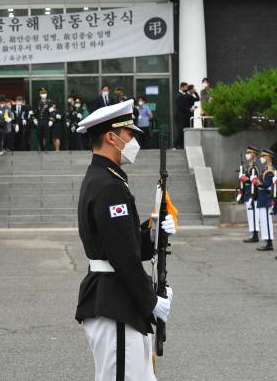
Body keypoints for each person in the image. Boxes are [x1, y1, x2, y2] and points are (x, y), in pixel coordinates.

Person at [74, 99, 176, 381]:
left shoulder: (106, 178)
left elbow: (121, 240)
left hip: (116, 298)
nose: (132, 140)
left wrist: (152, 231)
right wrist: (150, 300)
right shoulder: (108, 185)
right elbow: (122, 256)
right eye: (129, 134)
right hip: (115, 302)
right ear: (111, 137)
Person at [253, 149, 275, 252]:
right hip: (262, 198)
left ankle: (269, 243)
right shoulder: (265, 169)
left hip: (266, 198)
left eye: (264, 156)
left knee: (266, 220)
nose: (262, 158)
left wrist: (258, 182)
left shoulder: (270, 170)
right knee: (263, 221)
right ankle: (267, 241)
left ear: (268, 157)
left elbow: (267, 185)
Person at [241, 146, 261, 243]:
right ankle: (253, 233)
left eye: (249, 153)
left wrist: (246, 179)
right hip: (248, 193)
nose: (247, 154)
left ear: (253, 154)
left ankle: (255, 234)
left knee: (253, 214)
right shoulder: (249, 166)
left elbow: (255, 180)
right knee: (250, 215)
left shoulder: (254, 167)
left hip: (252, 194)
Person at [173, 82, 191, 149]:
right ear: (182, 87)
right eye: (186, 87)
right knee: (180, 131)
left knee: (184, 131)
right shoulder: (179, 95)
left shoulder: (185, 94)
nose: (187, 88)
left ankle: (181, 145)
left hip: (185, 116)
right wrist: (189, 109)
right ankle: (175, 144)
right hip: (180, 116)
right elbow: (181, 106)